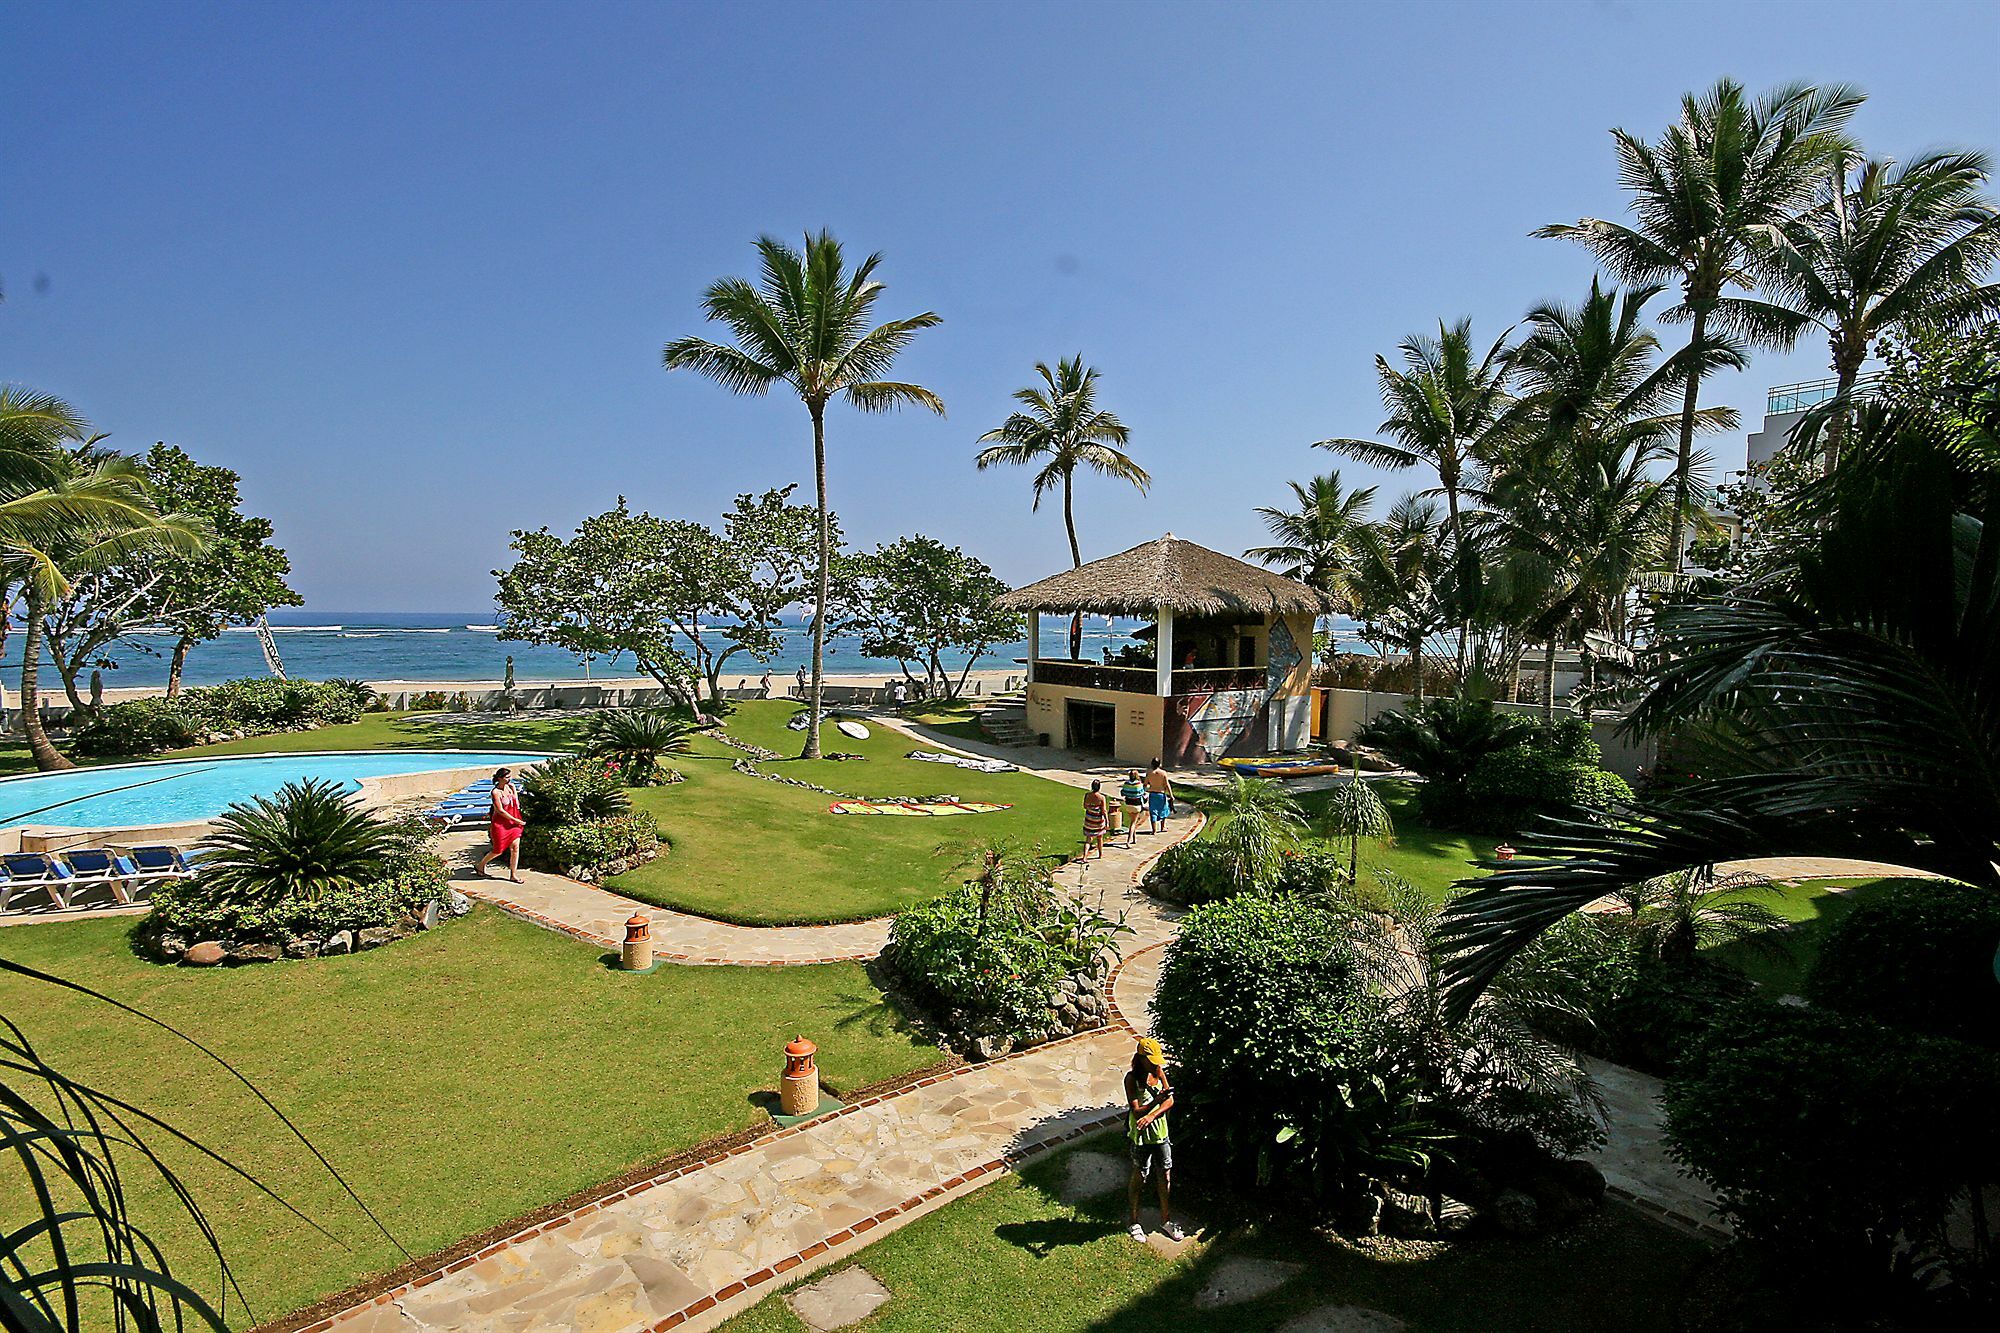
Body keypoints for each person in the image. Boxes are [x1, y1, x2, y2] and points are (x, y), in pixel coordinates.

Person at [1126, 1036, 1183, 1242]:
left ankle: (1166, 1220)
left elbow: (1170, 1100)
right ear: (1141, 1058)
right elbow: (1136, 1112)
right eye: (1151, 1059)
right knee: (1140, 1177)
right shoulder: (1132, 1079)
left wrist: (1153, 1114)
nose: (1155, 1063)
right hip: (1141, 1137)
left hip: (1161, 1134)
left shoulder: (1159, 1072)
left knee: (1165, 1176)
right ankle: (1133, 1221)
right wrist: (1154, 1105)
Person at [475, 767, 525, 883]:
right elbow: (500, 811)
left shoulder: (511, 787)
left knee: (515, 847)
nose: (509, 779)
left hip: (513, 822)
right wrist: (516, 820)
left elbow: (516, 804)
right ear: (499, 778)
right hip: (501, 824)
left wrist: (515, 795)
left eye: (509, 777)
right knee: (498, 850)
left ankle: (513, 875)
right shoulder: (495, 792)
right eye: (507, 777)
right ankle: (480, 865)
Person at [1082, 779, 1109, 859]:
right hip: (1098, 820)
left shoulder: (1087, 795)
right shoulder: (1101, 797)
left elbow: (1085, 806)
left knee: (1088, 838)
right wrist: (1107, 821)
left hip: (1089, 818)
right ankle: (1100, 854)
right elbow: (1104, 810)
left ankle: (1085, 856)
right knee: (1100, 837)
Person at [1144, 759, 1172, 835]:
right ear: (1159, 764)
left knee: (1153, 812)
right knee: (1163, 810)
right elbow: (1167, 784)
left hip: (1152, 794)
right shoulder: (1163, 773)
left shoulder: (1149, 773)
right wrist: (1171, 795)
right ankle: (1162, 827)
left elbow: (1145, 784)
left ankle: (1154, 830)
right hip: (1161, 794)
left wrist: (1144, 793)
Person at [1119, 770, 1145, 848]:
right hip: (1136, 805)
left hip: (1128, 804)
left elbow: (1122, 793)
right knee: (1133, 823)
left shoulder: (1126, 784)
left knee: (1132, 821)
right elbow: (1142, 793)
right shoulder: (1139, 784)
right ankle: (1128, 841)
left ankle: (1134, 838)